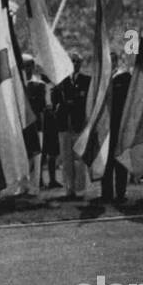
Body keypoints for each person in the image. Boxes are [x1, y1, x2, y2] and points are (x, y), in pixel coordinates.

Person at [53, 53, 90, 198]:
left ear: (80, 63)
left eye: (77, 61)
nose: (74, 64)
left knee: (79, 159)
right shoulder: (61, 81)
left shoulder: (86, 80)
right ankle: (69, 189)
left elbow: (86, 101)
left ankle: (80, 189)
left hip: (78, 124)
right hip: (64, 124)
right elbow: (55, 100)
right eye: (72, 61)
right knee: (66, 158)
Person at [100, 63, 132, 205]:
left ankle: (120, 192)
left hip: (120, 125)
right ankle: (106, 193)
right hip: (105, 126)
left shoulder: (125, 77)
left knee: (120, 160)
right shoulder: (101, 77)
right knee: (106, 162)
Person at [21, 56, 49, 188]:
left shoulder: (39, 85)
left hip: (36, 124)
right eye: (24, 66)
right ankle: (23, 185)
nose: (26, 69)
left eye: (28, 66)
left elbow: (40, 106)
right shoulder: (18, 85)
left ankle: (34, 186)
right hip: (21, 126)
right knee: (23, 155)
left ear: (32, 67)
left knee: (36, 156)